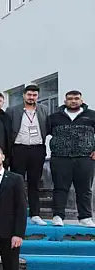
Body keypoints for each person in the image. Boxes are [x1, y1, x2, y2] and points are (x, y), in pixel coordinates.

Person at [47, 90, 95, 227]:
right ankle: (58, 216)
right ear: (65, 101)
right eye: (70, 99)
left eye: (76, 98)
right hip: (60, 158)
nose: (73, 101)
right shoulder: (54, 117)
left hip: (85, 158)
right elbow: (45, 133)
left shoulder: (92, 115)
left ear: (81, 100)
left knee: (85, 189)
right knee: (59, 188)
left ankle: (85, 217)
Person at [6, 84, 49, 226]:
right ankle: (15, 213)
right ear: (24, 95)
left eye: (34, 95)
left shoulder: (44, 109)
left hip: (37, 149)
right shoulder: (12, 110)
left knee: (34, 183)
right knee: (16, 182)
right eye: (29, 95)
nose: (32, 97)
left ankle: (35, 214)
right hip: (18, 149)